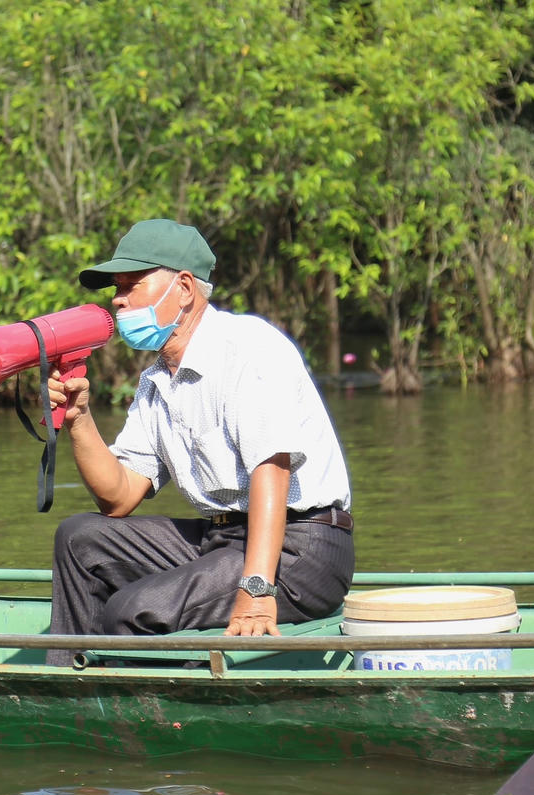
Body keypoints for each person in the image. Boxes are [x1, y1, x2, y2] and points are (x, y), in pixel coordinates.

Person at [45, 218, 353, 666]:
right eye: (116, 287)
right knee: (80, 537)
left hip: (301, 550)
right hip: (224, 538)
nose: (118, 298)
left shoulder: (248, 348)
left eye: (133, 284)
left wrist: (256, 590)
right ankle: (69, 686)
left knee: (133, 612)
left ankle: (138, 717)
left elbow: (273, 469)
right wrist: (78, 418)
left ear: (185, 288)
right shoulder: (156, 381)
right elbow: (120, 497)